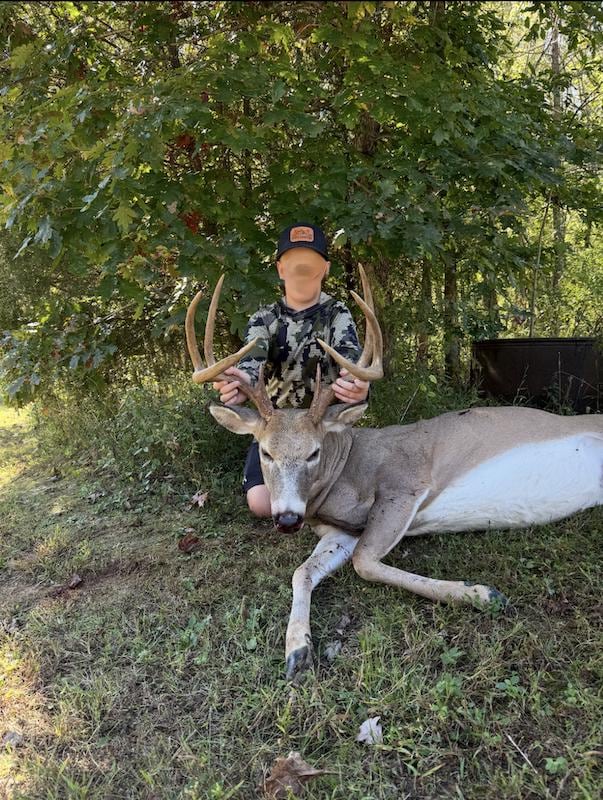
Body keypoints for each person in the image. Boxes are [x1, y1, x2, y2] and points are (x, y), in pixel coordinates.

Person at [212, 223, 370, 518]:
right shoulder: (265, 318)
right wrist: (236, 385)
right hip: (276, 427)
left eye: (309, 263)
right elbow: (250, 364)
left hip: (319, 427)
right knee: (260, 503)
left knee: (337, 493)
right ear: (281, 269)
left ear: (325, 269)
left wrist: (358, 384)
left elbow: (351, 361)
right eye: (294, 263)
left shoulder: (337, 315)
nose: (301, 270)